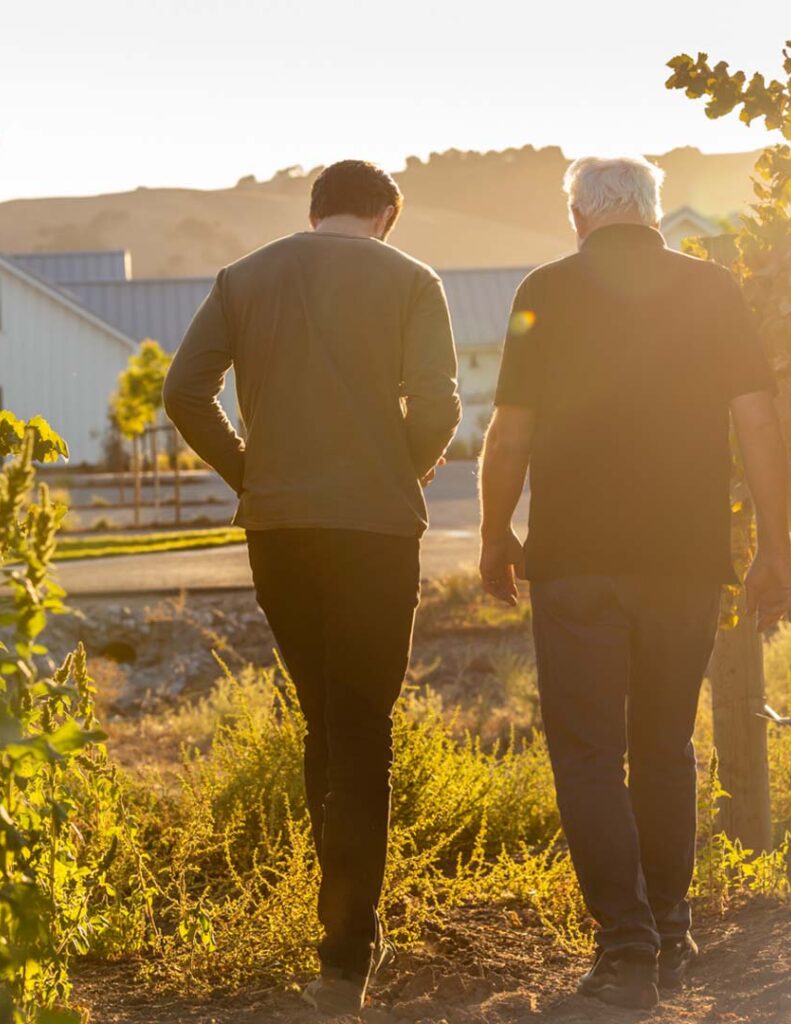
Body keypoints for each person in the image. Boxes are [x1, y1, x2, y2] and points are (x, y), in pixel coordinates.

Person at [478, 155, 791, 1011]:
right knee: (664, 746)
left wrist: (494, 530)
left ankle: (626, 952)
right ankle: (673, 930)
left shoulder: (547, 285)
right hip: (684, 559)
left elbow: (510, 432)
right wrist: (774, 542)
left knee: (587, 752)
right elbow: (757, 418)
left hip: (576, 560)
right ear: (653, 212)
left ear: (579, 217)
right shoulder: (711, 289)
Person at [163, 159, 461, 1015]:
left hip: (280, 530)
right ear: (386, 214)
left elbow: (184, 392)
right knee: (364, 726)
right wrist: (391, 471)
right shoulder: (413, 280)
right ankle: (346, 956)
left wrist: (252, 475)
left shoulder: (244, 277)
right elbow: (438, 404)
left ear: (314, 208)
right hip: (374, 532)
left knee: (323, 719)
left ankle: (337, 940)